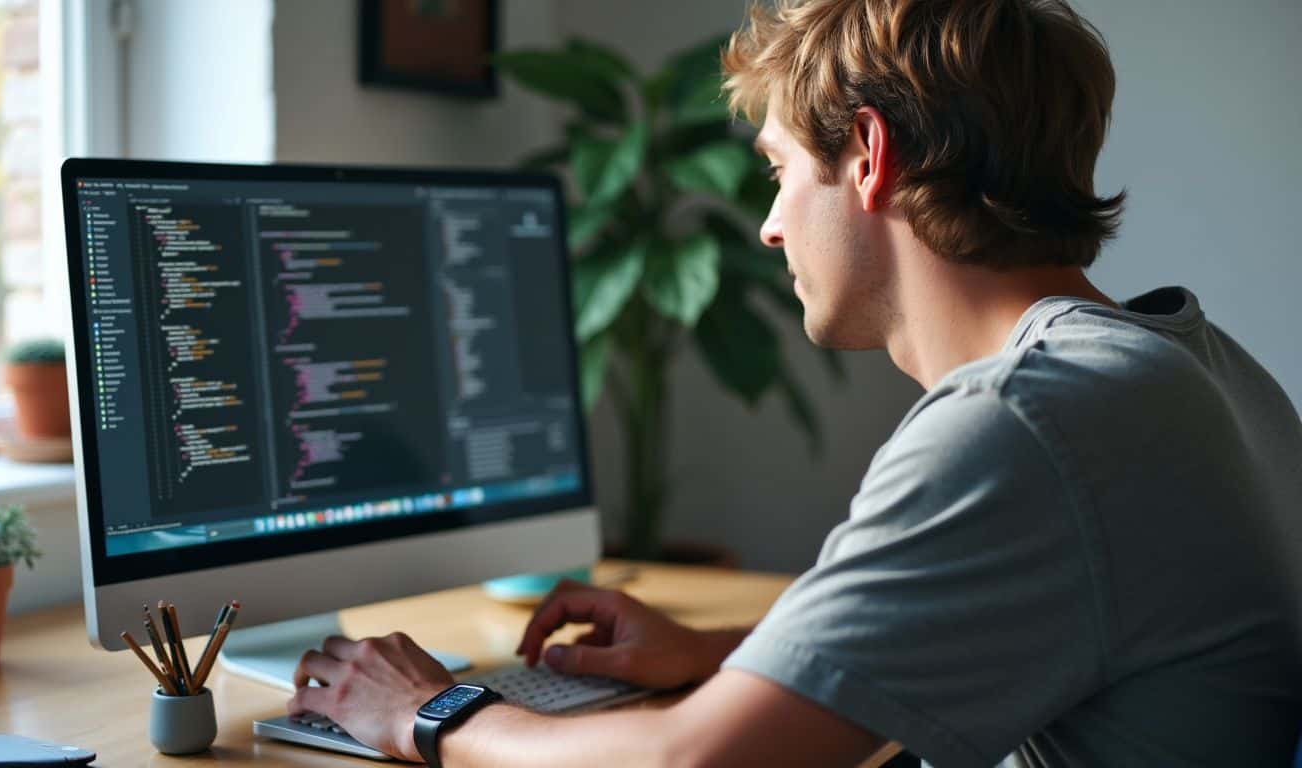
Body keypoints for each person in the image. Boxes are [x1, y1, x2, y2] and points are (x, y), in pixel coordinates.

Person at [288, 0, 1302, 765]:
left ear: (868, 155)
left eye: (777, 169)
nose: (769, 225)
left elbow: (692, 763)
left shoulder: (1026, 419)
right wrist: (738, 653)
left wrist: (427, 712)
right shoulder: (1185, 362)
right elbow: (1057, 621)